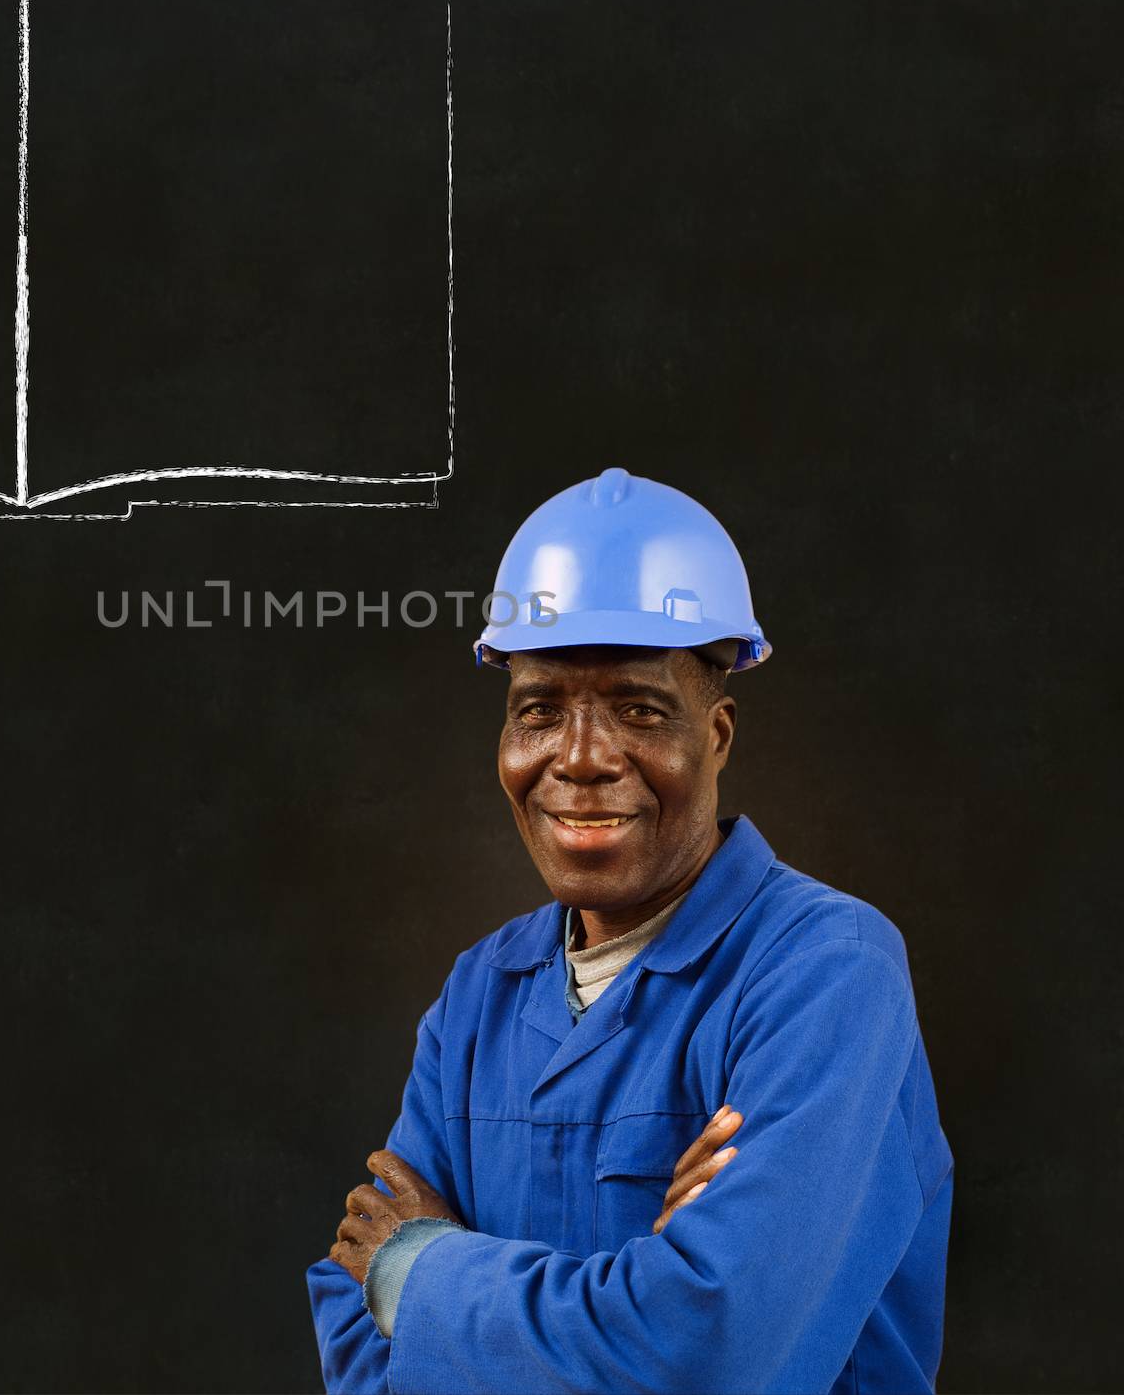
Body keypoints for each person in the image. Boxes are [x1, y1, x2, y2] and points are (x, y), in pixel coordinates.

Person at [305, 469, 953, 1394]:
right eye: (539, 710)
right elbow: (353, 1334)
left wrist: (418, 1275)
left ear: (717, 734)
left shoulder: (827, 975)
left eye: (638, 709)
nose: (579, 757)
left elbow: (712, 1354)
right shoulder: (478, 996)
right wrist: (638, 1295)